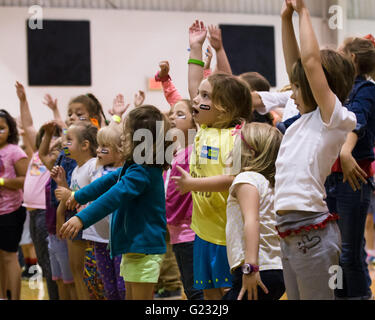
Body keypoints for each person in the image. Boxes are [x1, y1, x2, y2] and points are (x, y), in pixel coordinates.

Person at [275, 0, 356, 300]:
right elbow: (298, 63)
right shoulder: (303, 122)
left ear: (318, 84)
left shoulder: (333, 119)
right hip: (290, 232)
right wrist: (285, 18)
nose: (292, 93)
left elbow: (310, 63)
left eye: (297, 87)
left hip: (312, 234)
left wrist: (304, 12)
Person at [171, 20, 252, 300]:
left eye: (206, 97)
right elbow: (196, 86)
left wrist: (193, 183)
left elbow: (234, 180)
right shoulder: (203, 127)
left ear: (224, 109)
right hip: (202, 232)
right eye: (199, 96)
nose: (196, 100)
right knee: (208, 293)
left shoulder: (235, 137)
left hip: (226, 235)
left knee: (229, 292)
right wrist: (195, 47)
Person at [59, 105, 173, 300]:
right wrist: (78, 196)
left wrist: (82, 218)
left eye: (126, 134)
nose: (122, 138)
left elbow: (115, 195)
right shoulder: (136, 166)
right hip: (133, 246)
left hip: (143, 248)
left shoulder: (143, 170)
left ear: (140, 139)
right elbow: (109, 181)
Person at [325, 34, 375, 299]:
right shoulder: (337, 90)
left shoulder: (365, 89)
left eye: (340, 51)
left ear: (352, 58)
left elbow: (358, 119)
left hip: (352, 178)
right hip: (331, 178)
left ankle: (360, 297)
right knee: (335, 249)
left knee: (348, 251)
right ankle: (340, 295)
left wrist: (345, 151)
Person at [223, 122, 285, 300]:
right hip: (274, 269)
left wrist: (250, 267)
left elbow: (252, 221)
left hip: (258, 268)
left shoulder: (247, 179)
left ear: (250, 153)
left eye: (236, 145)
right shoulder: (268, 183)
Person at [15, 81, 61, 299]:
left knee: (51, 263)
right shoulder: (36, 153)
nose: (47, 138)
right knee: (44, 261)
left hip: (45, 212)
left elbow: (64, 129)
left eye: (51, 135)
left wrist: (54, 110)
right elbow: (29, 123)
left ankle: (57, 296)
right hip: (32, 213)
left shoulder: (56, 156)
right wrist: (23, 100)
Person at [53, 122, 100, 300]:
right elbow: (72, 201)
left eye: (69, 140)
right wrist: (62, 183)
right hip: (76, 225)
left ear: (85, 145)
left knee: (86, 275)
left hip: (88, 228)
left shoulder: (92, 166)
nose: (64, 144)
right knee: (76, 272)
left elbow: (95, 196)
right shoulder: (76, 169)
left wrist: (70, 193)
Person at [0, 109, 29, 300]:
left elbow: (25, 180)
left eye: (1, 128)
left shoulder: (15, 151)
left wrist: (1, 182)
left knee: (9, 256)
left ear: (10, 130)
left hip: (11, 211)